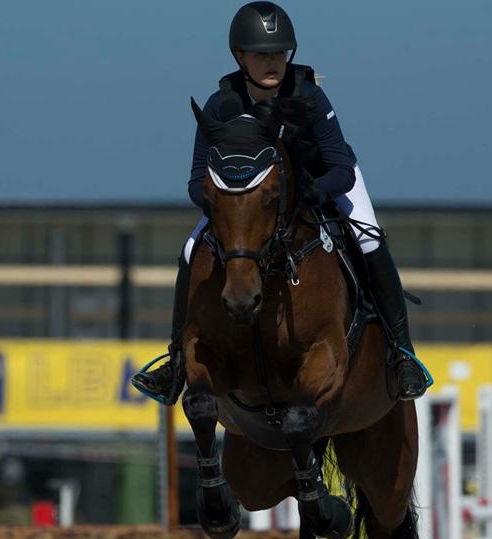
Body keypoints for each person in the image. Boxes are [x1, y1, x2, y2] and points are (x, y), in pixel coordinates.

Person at [132, 1, 431, 405]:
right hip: (246, 203)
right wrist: (227, 209)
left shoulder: (310, 95)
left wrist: (310, 194)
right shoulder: (220, 105)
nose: (272, 62)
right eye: (262, 55)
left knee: (369, 240)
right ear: (240, 56)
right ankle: (175, 363)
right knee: (190, 251)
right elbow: (195, 180)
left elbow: (341, 169)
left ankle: (402, 354)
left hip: (323, 182)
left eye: (279, 53)